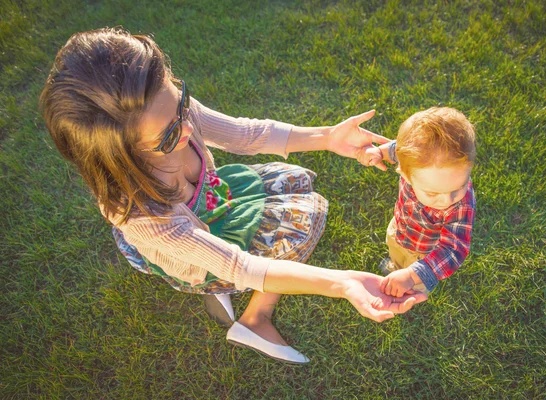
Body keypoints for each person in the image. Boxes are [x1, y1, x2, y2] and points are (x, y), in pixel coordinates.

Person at [39, 28, 427, 365]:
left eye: (181, 102)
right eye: (169, 137)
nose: (188, 126)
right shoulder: (143, 215)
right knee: (291, 229)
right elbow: (242, 266)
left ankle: (230, 300)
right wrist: (344, 282)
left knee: (293, 185)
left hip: (211, 202)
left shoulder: (169, 114)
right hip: (188, 251)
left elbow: (246, 134)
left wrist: (327, 137)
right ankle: (253, 319)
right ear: (122, 157)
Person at [358, 107, 476, 297]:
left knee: (412, 282)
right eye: (432, 193)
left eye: (457, 188)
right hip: (399, 229)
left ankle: (411, 290)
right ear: (404, 173)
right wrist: (380, 152)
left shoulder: (462, 205)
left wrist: (412, 275)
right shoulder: (414, 160)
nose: (447, 201)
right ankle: (395, 266)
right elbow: (398, 150)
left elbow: (454, 250)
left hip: (425, 254)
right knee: (396, 254)